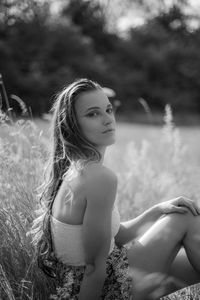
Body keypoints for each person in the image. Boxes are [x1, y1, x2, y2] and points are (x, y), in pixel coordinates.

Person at [30, 78, 200, 300]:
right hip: (106, 288)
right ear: (71, 126)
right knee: (186, 216)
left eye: (108, 110)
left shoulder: (76, 171)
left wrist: (158, 210)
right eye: (93, 114)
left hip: (98, 278)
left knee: (190, 258)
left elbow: (117, 236)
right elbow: (93, 267)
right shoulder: (98, 178)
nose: (107, 119)